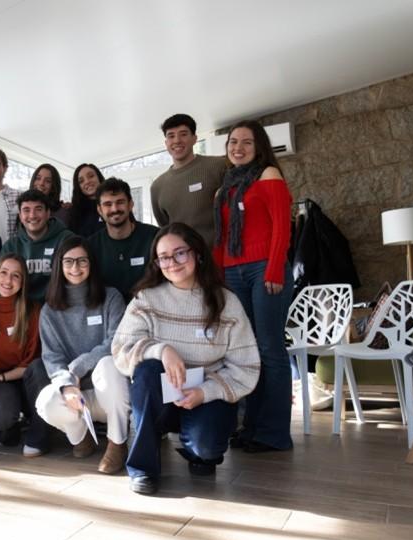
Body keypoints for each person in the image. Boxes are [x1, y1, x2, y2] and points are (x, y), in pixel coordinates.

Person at [113, 223, 260, 495]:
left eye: (180, 253)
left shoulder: (226, 302)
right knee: (147, 370)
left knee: (205, 448)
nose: (172, 263)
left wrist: (206, 392)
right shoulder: (147, 298)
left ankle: (197, 451)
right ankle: (142, 468)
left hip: (207, 395)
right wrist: (162, 350)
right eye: (164, 257)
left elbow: (247, 367)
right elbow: (121, 348)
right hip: (161, 399)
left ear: (197, 253)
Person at [213, 119, 294, 453]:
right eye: (233, 142)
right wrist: (217, 278)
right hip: (233, 274)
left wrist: (274, 268)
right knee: (247, 352)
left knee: (270, 350)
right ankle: (252, 427)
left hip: (265, 270)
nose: (238, 148)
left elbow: (282, 227)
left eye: (246, 142)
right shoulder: (225, 187)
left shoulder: (269, 176)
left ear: (259, 146)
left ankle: (274, 433)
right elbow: (220, 238)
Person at [33, 236, 129, 474]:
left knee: (108, 364)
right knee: (45, 403)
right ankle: (79, 436)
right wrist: (67, 384)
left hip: (110, 393)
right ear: (59, 266)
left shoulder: (111, 297)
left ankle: (117, 443)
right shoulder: (49, 310)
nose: (75, 268)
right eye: (69, 262)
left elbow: (116, 342)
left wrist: (78, 367)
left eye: (82, 261)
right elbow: (52, 358)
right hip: (77, 395)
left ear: (91, 264)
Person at [0, 254, 48, 447]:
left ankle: (39, 429)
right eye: (4, 273)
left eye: (16, 276)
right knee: (4, 426)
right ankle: (13, 421)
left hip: (27, 379)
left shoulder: (33, 310)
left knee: (39, 368)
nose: (8, 280)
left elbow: (33, 362)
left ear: (23, 282)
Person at [150, 114, 227, 248]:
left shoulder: (219, 166)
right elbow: (166, 227)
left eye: (183, 134)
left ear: (194, 138)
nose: (177, 140)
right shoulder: (157, 187)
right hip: (185, 261)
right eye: (171, 136)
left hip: (223, 256)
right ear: (166, 143)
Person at [88, 177, 159, 302]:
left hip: (150, 309)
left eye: (120, 202)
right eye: (108, 204)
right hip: (109, 313)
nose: (114, 209)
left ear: (130, 204)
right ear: (99, 210)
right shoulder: (91, 245)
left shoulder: (154, 237)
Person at [1, 190, 73, 302]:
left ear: (48, 213)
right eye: (26, 210)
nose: (32, 215)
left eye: (38, 209)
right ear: (20, 216)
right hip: (22, 308)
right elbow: (1, 283)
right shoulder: (11, 247)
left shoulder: (66, 240)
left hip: (58, 306)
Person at [68, 163, 105, 238]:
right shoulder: (74, 212)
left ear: (99, 178)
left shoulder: (113, 204)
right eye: (81, 181)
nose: (87, 182)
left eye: (91, 176)